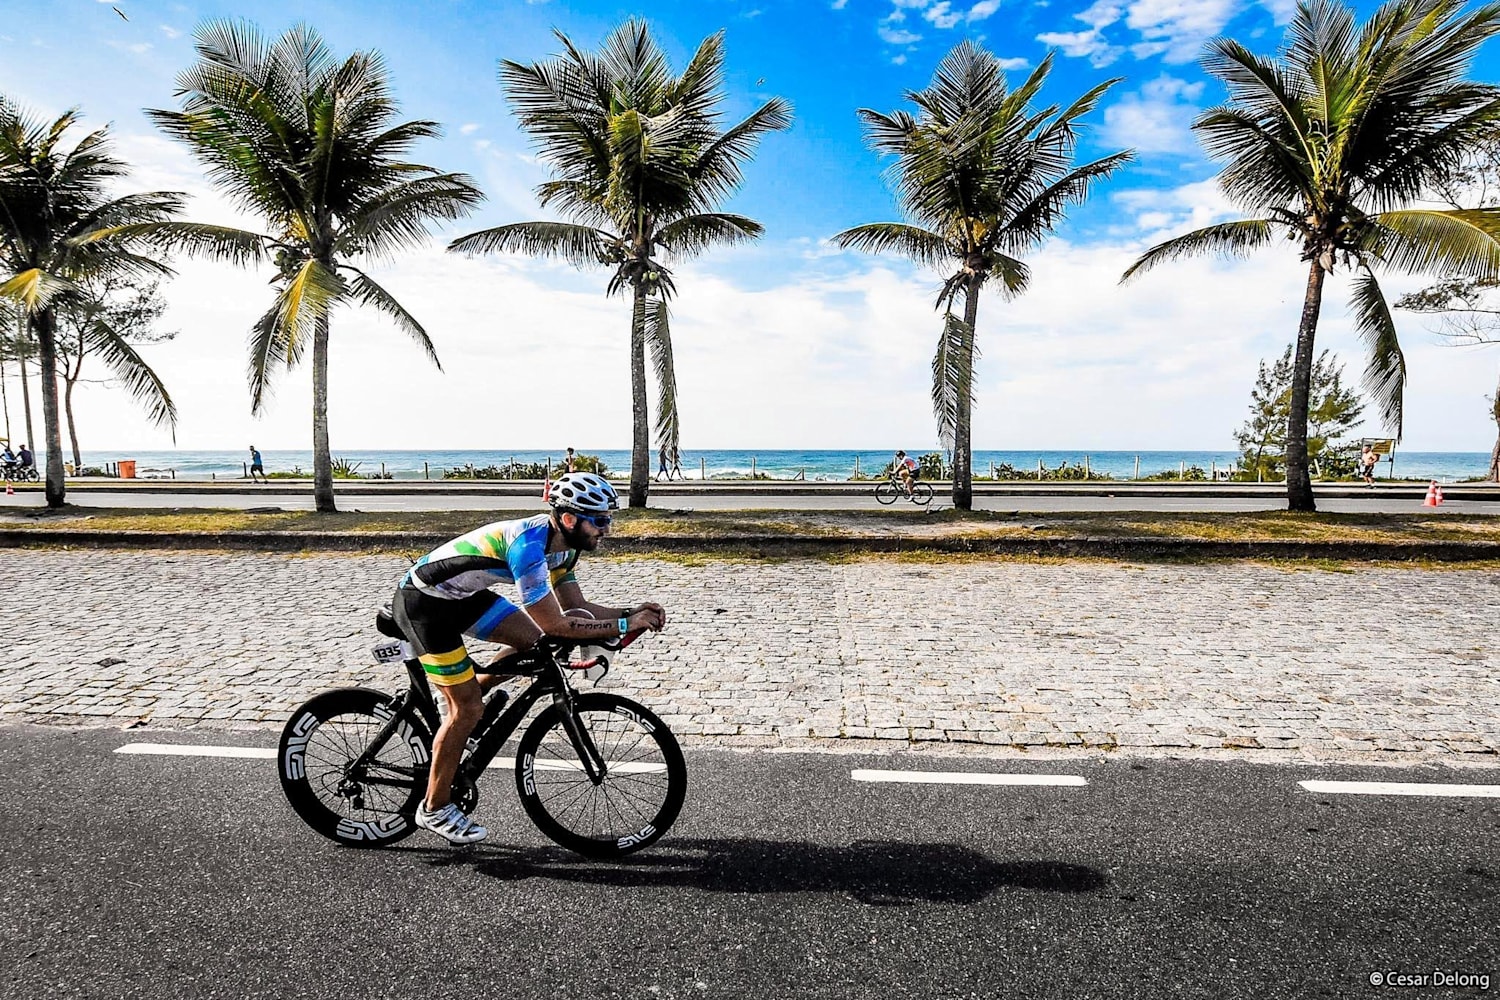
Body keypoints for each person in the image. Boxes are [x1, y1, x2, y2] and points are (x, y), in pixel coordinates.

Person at [393, 471, 666, 845]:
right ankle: (435, 807)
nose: (607, 529)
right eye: (600, 520)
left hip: (462, 598)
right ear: (569, 519)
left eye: (609, 519)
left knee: (532, 643)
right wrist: (621, 623)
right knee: (467, 711)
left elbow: (577, 607)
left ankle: (465, 698)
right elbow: (555, 623)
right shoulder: (529, 547)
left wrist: (627, 612)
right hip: (424, 605)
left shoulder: (565, 548)